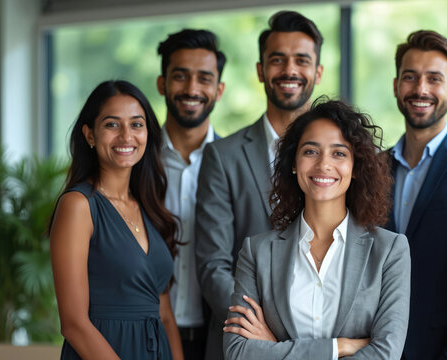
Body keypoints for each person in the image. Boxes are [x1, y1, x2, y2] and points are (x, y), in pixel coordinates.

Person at [222, 99, 410, 360]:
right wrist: (339, 347)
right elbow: (238, 351)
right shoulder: (257, 252)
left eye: (339, 153)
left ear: (355, 167)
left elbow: (386, 353)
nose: (323, 164)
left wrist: (274, 347)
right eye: (311, 151)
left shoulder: (390, 251)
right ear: (293, 162)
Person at [195, 10, 324, 359]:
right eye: (277, 60)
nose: (290, 70)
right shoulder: (222, 157)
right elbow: (213, 267)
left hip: (322, 342)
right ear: (260, 70)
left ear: (318, 72)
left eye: (302, 60)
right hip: (241, 345)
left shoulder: (341, 160)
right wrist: (264, 332)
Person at [50, 80, 184, 359]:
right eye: (112, 124)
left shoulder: (149, 207)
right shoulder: (78, 206)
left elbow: (165, 315)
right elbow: (73, 324)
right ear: (89, 134)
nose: (126, 136)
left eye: (137, 124)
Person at [385, 30, 447, 360]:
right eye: (410, 77)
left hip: (441, 351)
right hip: (370, 346)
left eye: (434, 79)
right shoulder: (369, 170)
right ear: (396, 85)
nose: (421, 89)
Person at [156, 28, 225, 359]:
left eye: (204, 78)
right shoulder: (134, 163)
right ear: (162, 83)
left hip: (219, 336)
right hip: (147, 332)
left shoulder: (234, 164)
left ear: (219, 89)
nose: (192, 89)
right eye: (180, 76)